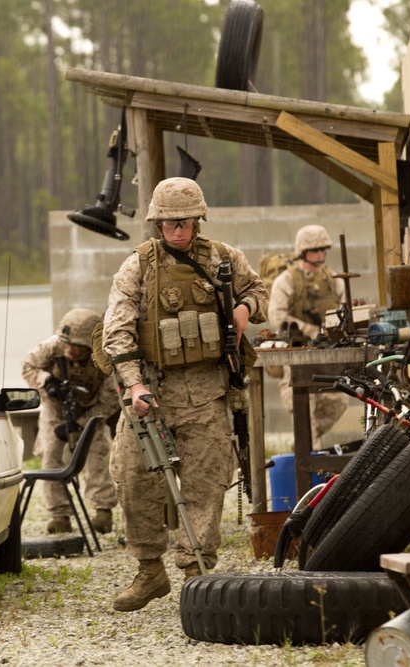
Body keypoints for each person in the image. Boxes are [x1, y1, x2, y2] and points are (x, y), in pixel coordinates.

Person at [102, 177, 268, 612]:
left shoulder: (222, 259)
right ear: (158, 224)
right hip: (150, 393)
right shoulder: (137, 266)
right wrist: (134, 385)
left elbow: (257, 289)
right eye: (170, 223)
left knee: (205, 482)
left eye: (186, 222)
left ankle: (196, 572)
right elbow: (117, 332)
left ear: (198, 220)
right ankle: (149, 570)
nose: (178, 230)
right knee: (132, 478)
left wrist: (244, 309)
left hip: (205, 392)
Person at [21, 308, 118, 535]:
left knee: (94, 456)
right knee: (50, 456)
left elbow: (110, 399)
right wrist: (46, 381)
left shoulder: (103, 359)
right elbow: (28, 365)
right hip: (54, 410)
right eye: (67, 344)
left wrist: (82, 422)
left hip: (90, 410)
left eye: (76, 347)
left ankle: (103, 510)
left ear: (88, 346)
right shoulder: (53, 346)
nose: (69, 350)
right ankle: (59, 514)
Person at [267, 224, 350, 448]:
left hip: (327, 357)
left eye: (323, 249)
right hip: (298, 358)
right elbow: (276, 316)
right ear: (303, 252)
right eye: (315, 250)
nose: (320, 254)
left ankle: (305, 444)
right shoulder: (287, 280)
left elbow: (344, 311)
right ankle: (308, 450)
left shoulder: (334, 280)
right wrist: (311, 330)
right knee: (303, 408)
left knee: (338, 402)